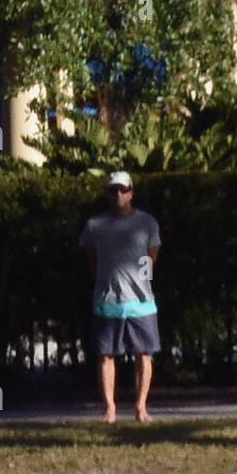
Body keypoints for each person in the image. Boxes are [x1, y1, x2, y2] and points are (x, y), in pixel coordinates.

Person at [79, 170, 162, 424]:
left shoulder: (147, 223)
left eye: (123, 190)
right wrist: (103, 280)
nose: (118, 194)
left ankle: (141, 407)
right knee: (105, 355)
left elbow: (153, 251)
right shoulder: (95, 225)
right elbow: (90, 256)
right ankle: (110, 409)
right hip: (108, 301)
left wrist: (141, 280)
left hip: (141, 302)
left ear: (131, 192)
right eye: (113, 190)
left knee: (144, 354)